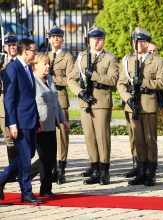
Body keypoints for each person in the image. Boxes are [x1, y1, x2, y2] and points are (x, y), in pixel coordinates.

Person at [68, 26, 119, 185]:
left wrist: (94, 75)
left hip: (101, 101)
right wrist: (79, 93)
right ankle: (95, 169)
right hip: (85, 101)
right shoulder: (82, 56)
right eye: (94, 39)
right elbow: (71, 79)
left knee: (102, 137)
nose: (97, 41)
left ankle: (105, 171)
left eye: (100, 39)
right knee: (89, 137)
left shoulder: (109, 58)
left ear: (103, 40)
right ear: (89, 40)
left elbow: (113, 80)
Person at [117, 27, 163, 186]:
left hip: (148, 103)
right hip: (133, 104)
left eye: (140, 41)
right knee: (138, 140)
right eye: (135, 41)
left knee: (150, 139)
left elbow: (162, 82)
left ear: (146, 43)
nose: (136, 44)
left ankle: (151, 172)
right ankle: (141, 170)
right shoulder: (127, 60)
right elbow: (121, 83)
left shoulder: (156, 60)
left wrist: (144, 82)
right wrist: (127, 98)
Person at [0, 39, 44, 204]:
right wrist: (12, 123)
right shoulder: (13, 69)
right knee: (25, 157)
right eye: (33, 50)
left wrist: (37, 119)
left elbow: (30, 97)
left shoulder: (26, 68)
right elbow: (9, 100)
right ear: (25, 51)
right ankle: (26, 192)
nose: (35, 53)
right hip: (19, 121)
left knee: (29, 153)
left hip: (30, 119)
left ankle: (2, 178)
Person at [31, 53, 69, 198]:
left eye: (48, 63)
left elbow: (56, 102)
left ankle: (45, 188)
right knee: (44, 156)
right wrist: (35, 121)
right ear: (36, 65)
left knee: (50, 156)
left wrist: (62, 119)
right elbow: (30, 104)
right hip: (38, 125)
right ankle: (40, 185)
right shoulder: (32, 81)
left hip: (50, 124)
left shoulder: (50, 79)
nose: (48, 66)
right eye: (45, 64)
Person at [48, 25, 74, 184]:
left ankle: (61, 169)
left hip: (61, 97)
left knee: (62, 136)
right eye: (53, 36)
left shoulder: (68, 57)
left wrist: (52, 79)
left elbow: (70, 80)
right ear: (49, 39)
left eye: (59, 36)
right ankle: (52, 169)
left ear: (62, 39)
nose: (56, 38)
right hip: (46, 99)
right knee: (49, 135)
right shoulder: (44, 55)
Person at [0, 33, 18, 182]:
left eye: (14, 44)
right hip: (3, 105)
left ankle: (20, 169)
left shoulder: (21, 62)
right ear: (5, 47)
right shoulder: (3, 63)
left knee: (18, 138)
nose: (12, 47)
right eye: (9, 45)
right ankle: (12, 170)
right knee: (8, 139)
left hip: (17, 105)